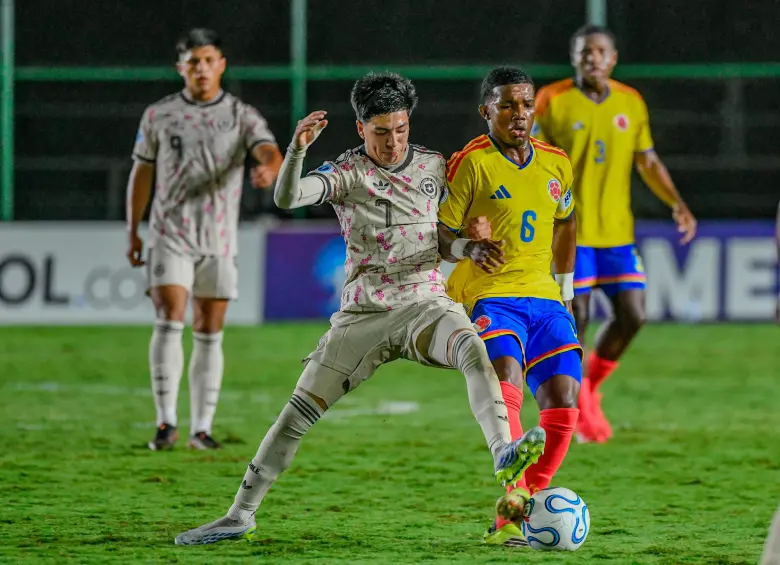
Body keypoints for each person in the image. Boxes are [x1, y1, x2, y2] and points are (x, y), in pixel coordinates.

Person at [173, 72, 546, 546]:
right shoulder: (347, 173)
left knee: (475, 351)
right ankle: (239, 514)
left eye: (401, 130)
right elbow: (287, 197)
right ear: (360, 129)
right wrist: (297, 151)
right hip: (363, 315)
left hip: (425, 305)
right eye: (381, 133)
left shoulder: (434, 166)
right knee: (296, 416)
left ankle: (502, 452)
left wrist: (469, 247)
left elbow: (443, 238)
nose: (393, 143)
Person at [532, 24, 697, 443]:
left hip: (618, 234)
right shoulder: (552, 100)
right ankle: (565, 408)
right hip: (571, 233)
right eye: (584, 52)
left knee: (633, 315)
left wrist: (676, 203)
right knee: (578, 319)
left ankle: (588, 387)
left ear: (613, 57)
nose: (592, 58)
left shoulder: (630, 101)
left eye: (600, 51)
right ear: (574, 58)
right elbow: (532, 162)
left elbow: (648, 160)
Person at [438, 66, 581, 548]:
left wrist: (566, 289)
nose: (519, 115)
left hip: (545, 296)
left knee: (564, 400)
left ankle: (516, 509)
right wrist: (467, 248)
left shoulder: (557, 163)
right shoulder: (470, 163)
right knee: (506, 376)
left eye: (526, 105)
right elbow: (438, 231)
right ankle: (515, 502)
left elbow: (567, 221)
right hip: (489, 293)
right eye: (507, 106)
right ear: (486, 111)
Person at [125, 28, 283, 451]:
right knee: (170, 315)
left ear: (221, 65)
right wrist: (133, 229)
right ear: (181, 68)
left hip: (218, 238)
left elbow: (269, 150)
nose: (201, 68)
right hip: (169, 232)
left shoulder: (240, 115)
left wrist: (269, 169)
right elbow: (141, 171)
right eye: (192, 61)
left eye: (208, 60)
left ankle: (202, 428)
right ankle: (165, 423)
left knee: (209, 329)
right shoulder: (159, 116)